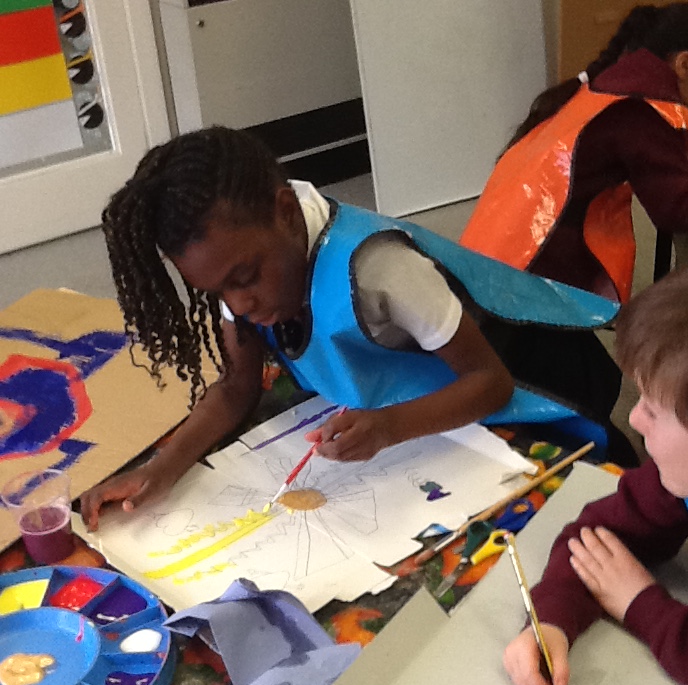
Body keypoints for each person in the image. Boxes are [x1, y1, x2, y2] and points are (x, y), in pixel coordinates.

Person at [81, 127, 618, 531]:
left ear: (286, 211)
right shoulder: (238, 271)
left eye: (245, 279)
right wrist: (162, 468)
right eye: (218, 292)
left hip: (530, 399)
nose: (238, 304)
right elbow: (236, 388)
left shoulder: (380, 268)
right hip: (427, 417)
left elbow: (490, 383)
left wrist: (386, 428)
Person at [460, 3, 688, 452]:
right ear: (684, 64)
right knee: (573, 395)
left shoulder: (613, 83)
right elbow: (677, 211)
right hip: (529, 276)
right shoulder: (644, 111)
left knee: (587, 378)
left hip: (493, 259)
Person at [503, 259, 688, 685]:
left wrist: (641, 604)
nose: (634, 419)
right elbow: (598, 539)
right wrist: (552, 619)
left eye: (654, 410)